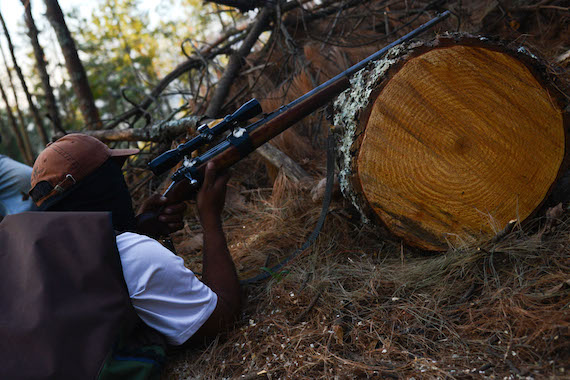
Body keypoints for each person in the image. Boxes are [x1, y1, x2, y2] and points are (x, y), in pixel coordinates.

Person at [0, 133, 241, 378]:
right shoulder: (136, 256)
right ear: (105, 184)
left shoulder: (24, 257)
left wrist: (127, 229)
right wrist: (210, 217)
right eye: (117, 175)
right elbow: (222, 317)